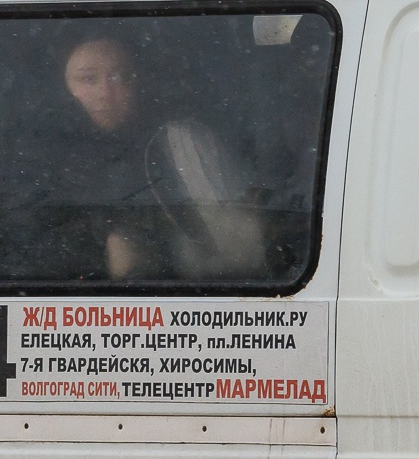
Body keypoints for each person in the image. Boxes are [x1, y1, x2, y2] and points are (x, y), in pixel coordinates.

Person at [51, 34, 266, 282]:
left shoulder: (182, 143)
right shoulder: (34, 158)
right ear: (63, 87)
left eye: (120, 77)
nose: (105, 93)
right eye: (88, 79)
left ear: (139, 83)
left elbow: (239, 252)